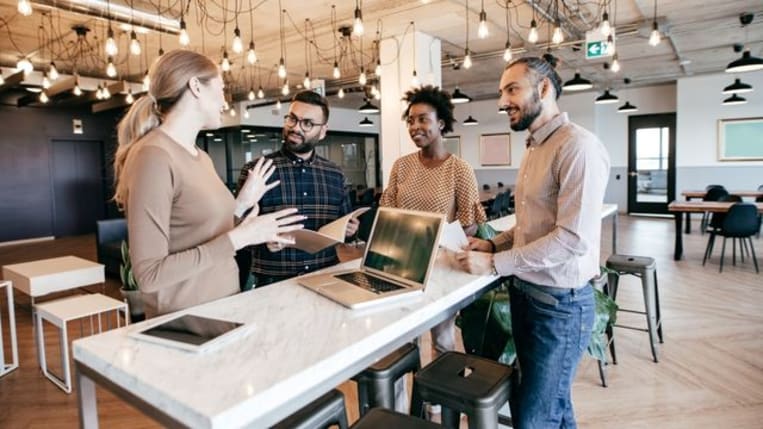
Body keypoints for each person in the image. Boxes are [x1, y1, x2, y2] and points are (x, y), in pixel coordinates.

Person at [456, 57, 610, 428]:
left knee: (535, 417)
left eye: (512, 89)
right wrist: (494, 245)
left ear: (544, 89)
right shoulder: (534, 148)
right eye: (501, 92)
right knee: (549, 409)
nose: (502, 101)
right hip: (528, 296)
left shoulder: (578, 148)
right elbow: (530, 226)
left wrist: (495, 264)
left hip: (559, 307)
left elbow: (571, 240)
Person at [113, 50, 304, 318]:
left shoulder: (200, 156)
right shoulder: (154, 156)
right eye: (221, 89)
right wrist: (241, 237)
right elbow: (149, 275)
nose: (225, 101)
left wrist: (242, 207)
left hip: (223, 307)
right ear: (195, 87)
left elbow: (202, 233)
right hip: (187, 321)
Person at [381, 85, 487, 354]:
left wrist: (432, 237)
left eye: (423, 119)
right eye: (411, 120)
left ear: (441, 123)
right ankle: (403, 397)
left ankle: (439, 397)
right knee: (402, 342)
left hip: (442, 264)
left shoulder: (459, 169)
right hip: (402, 263)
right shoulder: (401, 166)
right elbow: (387, 212)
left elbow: (470, 224)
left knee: (442, 340)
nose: (415, 126)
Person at [236, 90, 358, 287]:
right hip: (272, 283)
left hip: (325, 277)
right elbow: (236, 234)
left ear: (323, 131)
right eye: (292, 119)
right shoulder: (256, 170)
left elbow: (343, 227)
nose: (296, 128)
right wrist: (263, 241)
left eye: (307, 123)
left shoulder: (335, 174)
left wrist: (350, 230)